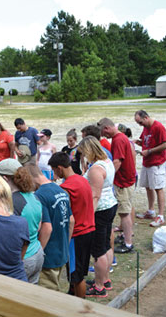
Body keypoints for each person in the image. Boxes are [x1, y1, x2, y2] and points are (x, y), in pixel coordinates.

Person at [49, 152, 95, 299]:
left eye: (55, 170)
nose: (55, 174)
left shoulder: (66, 187)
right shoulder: (82, 180)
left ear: (60, 168)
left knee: (76, 275)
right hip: (88, 229)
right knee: (77, 271)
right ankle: (72, 294)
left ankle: (80, 305)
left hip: (76, 234)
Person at [77, 136, 118, 298]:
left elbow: (95, 195)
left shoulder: (95, 169)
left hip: (100, 210)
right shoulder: (107, 161)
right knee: (106, 246)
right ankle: (105, 280)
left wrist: (88, 215)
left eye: (83, 153)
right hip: (110, 205)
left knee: (98, 250)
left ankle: (99, 286)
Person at [0, 158, 44, 284]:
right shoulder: (34, 196)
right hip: (36, 253)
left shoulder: (12, 203)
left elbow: (7, 236)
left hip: (23, 258)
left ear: (5, 179)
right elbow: (38, 226)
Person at [28, 163, 74, 292]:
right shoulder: (60, 190)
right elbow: (71, 220)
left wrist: (39, 253)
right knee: (56, 286)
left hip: (48, 255)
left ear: (31, 178)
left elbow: (47, 228)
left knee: (47, 294)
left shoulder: (39, 196)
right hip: (62, 251)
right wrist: (66, 243)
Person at [98, 118, 137, 253]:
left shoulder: (118, 140)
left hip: (123, 182)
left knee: (124, 213)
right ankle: (126, 235)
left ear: (107, 128)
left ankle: (128, 244)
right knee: (126, 210)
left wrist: (107, 176)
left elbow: (118, 162)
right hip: (128, 180)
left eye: (104, 133)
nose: (104, 136)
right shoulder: (121, 137)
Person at [134, 110, 166, 227]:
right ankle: (151, 211)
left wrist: (149, 151)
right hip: (147, 162)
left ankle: (161, 216)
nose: (140, 125)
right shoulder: (146, 128)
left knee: (158, 188)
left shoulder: (158, 127)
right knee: (148, 187)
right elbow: (145, 142)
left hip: (157, 163)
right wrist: (136, 142)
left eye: (140, 122)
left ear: (146, 117)